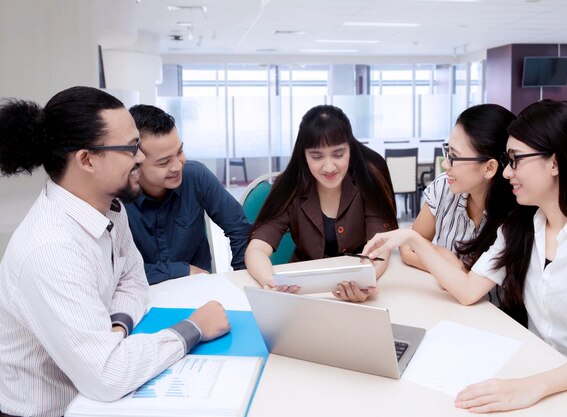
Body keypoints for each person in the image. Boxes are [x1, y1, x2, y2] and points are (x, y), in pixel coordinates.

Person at [363, 100, 567, 410]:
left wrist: (533, 386)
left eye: (515, 160)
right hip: (533, 369)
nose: (507, 172)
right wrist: (411, 238)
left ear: (554, 163)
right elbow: (467, 290)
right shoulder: (523, 225)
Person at [0, 86, 231, 417]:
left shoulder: (111, 207)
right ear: (87, 159)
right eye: (131, 147)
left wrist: (117, 327)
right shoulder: (50, 250)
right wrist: (194, 327)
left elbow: (133, 282)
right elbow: (107, 376)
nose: (140, 157)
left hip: (93, 399)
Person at [245, 104, 398, 302]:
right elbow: (256, 249)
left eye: (338, 154)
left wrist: (365, 281)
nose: (329, 167)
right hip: (303, 295)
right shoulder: (291, 186)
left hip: (357, 286)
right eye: (316, 156)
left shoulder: (368, 179)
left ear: (350, 150)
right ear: (304, 155)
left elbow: (380, 248)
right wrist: (271, 283)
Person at [125, 104, 251, 284]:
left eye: (179, 152)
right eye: (163, 162)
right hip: (141, 294)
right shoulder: (117, 197)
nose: (177, 166)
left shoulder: (195, 176)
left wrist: (241, 280)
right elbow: (117, 271)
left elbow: (239, 228)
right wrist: (182, 270)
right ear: (135, 162)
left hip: (197, 288)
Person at [400, 104, 516, 278]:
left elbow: (472, 284)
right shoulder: (444, 188)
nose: (445, 164)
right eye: (448, 152)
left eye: (454, 156)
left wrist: (439, 257)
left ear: (489, 168)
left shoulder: (514, 216)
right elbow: (409, 245)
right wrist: (451, 264)